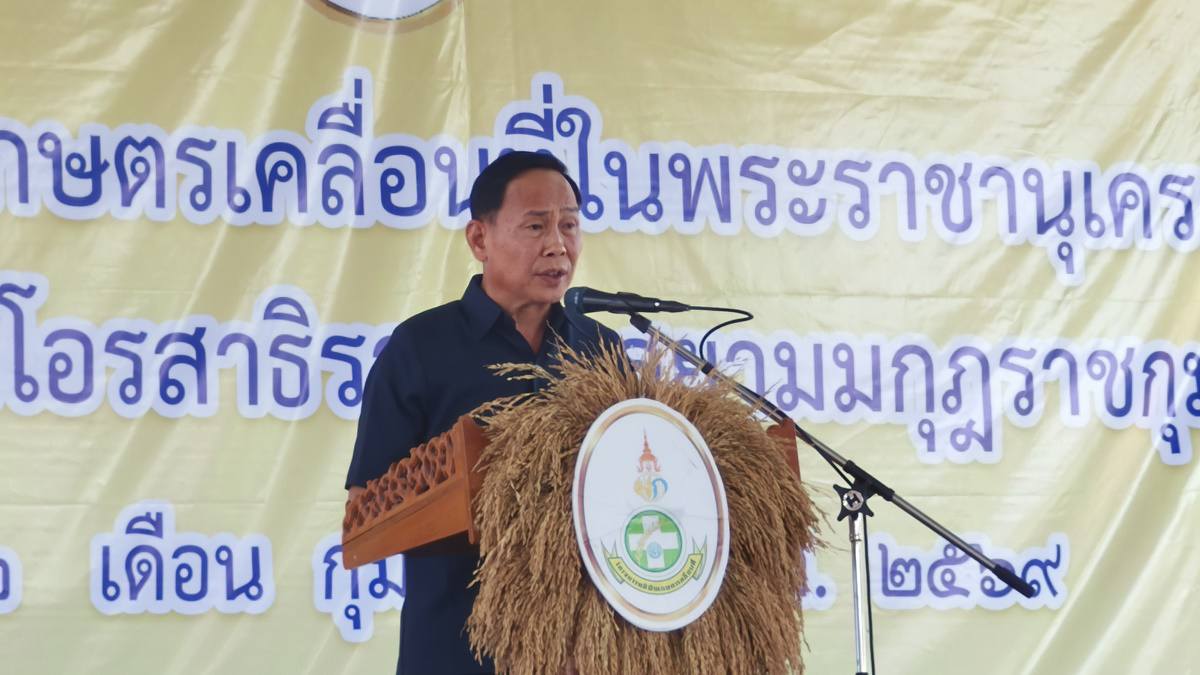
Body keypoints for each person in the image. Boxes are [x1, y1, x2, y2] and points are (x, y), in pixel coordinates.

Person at [344, 151, 621, 674]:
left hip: (579, 652)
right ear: (479, 239)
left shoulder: (600, 349)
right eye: (535, 226)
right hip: (457, 645)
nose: (558, 245)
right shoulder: (420, 348)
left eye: (569, 225)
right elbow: (367, 508)